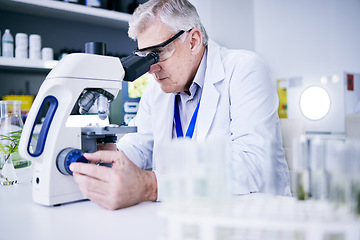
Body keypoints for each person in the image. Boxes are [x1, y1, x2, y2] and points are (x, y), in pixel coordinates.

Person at [70, 0, 291, 210]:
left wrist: (151, 185)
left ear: (193, 40)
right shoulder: (157, 90)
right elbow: (139, 144)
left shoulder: (245, 70)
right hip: (186, 214)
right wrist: (107, 156)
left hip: (252, 215)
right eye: (144, 57)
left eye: (157, 54)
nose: (151, 69)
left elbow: (254, 165)